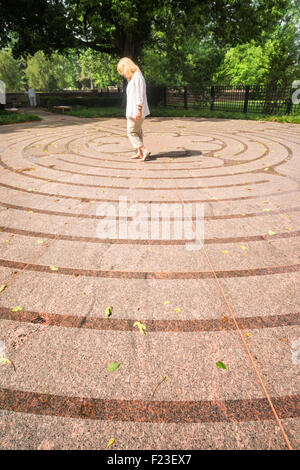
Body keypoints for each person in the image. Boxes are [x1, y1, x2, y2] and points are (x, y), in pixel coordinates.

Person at [117, 57, 151, 161]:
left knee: (131, 132)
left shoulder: (138, 77)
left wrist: (139, 109)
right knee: (137, 131)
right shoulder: (133, 78)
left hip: (136, 111)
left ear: (126, 67)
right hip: (133, 110)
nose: (122, 74)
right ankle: (140, 153)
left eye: (122, 71)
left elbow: (140, 95)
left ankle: (144, 150)